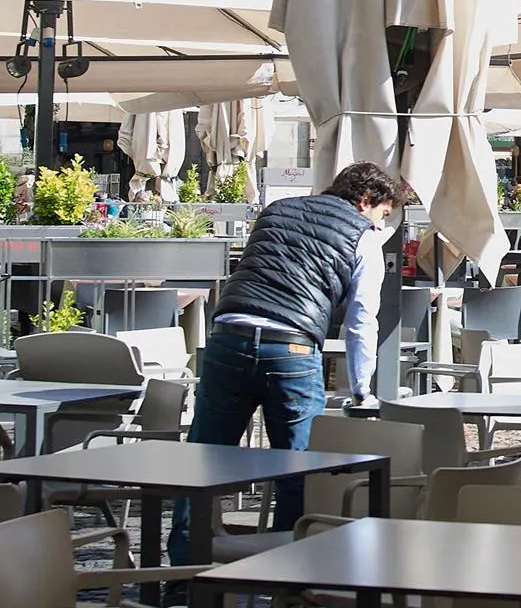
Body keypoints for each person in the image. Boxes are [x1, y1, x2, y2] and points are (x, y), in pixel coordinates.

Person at [170, 161, 400, 567]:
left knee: (202, 463)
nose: (382, 227)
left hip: (229, 335)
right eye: (383, 215)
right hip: (290, 347)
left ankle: (183, 573)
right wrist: (362, 389)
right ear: (366, 201)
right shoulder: (363, 238)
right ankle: (287, 576)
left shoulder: (276, 209)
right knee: (297, 469)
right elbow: (362, 319)